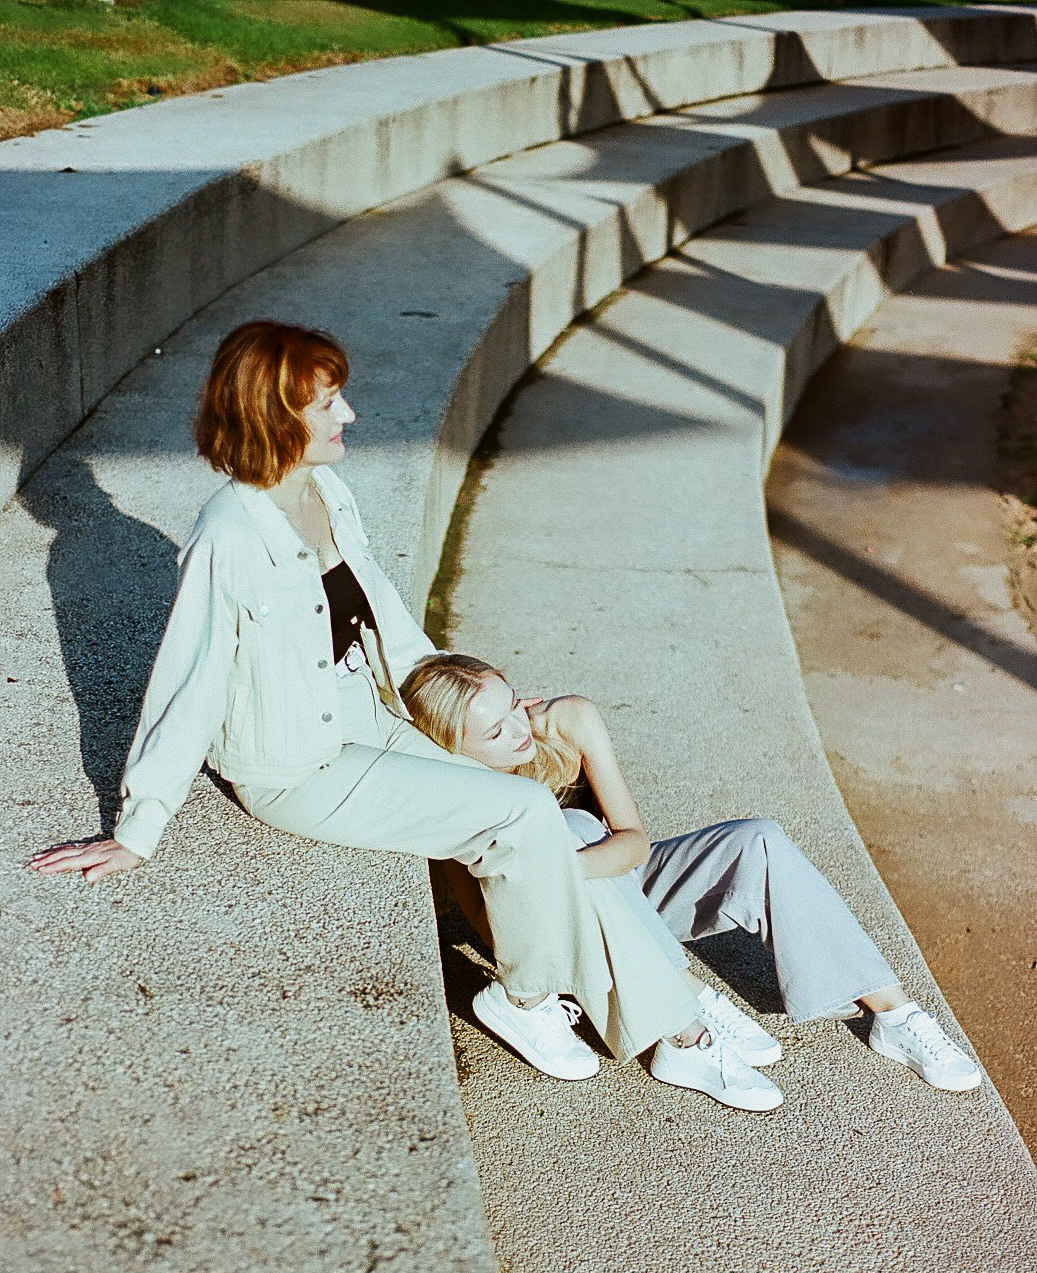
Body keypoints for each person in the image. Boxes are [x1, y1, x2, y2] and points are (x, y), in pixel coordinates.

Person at [29, 318, 781, 1108]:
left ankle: (675, 1008)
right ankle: (555, 1006)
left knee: (545, 820)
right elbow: (188, 680)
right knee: (524, 813)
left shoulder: (324, 491)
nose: (348, 414)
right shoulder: (227, 534)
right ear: (275, 417)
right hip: (301, 766)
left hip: (373, 720)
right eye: (327, 403)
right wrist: (136, 830)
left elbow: (387, 619)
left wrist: (463, 701)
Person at [397, 652, 984, 1097]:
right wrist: (565, 871)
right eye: (495, 732)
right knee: (573, 828)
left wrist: (567, 867)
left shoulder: (564, 721)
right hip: (555, 927)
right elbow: (498, 925)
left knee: (757, 840)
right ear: (455, 748)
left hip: (619, 883)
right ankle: (685, 1016)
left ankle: (894, 1016)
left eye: (513, 704)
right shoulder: (464, 794)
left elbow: (633, 842)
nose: (521, 729)